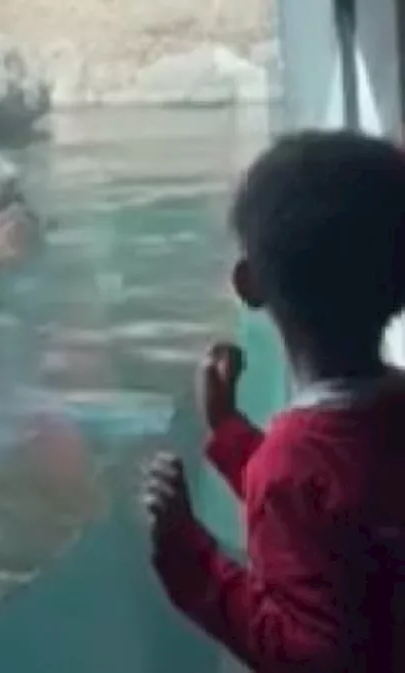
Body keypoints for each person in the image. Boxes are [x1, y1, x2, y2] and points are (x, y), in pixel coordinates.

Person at [141, 129, 405, 672]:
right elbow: (338, 514)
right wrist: (232, 434)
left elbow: (304, 654)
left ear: (248, 282)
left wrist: (186, 552)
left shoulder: (289, 467)